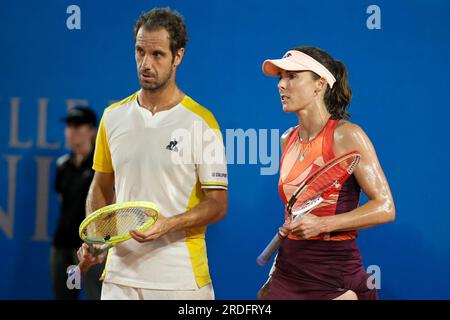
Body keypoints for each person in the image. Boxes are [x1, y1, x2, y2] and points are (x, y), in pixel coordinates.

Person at [76, 7, 228, 300]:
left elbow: (218, 204)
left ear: (178, 57)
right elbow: (101, 186)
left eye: (157, 55)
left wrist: (168, 225)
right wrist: (98, 239)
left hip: (180, 280)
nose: (146, 63)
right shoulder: (112, 117)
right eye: (140, 51)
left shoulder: (201, 122)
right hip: (119, 279)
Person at [258, 46, 395, 300]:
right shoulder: (286, 139)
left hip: (332, 273)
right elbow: (293, 211)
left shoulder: (347, 135)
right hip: (288, 270)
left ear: (319, 84)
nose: (281, 85)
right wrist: (274, 272)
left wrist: (322, 224)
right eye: (280, 78)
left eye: (292, 76)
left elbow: (385, 207)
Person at [51, 106, 104, 300]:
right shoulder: (62, 164)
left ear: (91, 130)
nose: (71, 131)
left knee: (96, 295)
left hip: (90, 249)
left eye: (77, 125)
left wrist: (97, 243)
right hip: (63, 246)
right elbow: (63, 201)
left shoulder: (101, 166)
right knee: (65, 294)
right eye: (69, 126)